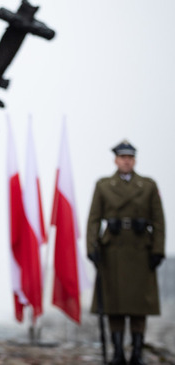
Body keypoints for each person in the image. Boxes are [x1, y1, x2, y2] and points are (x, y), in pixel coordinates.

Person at [86, 140, 165, 365]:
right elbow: (94, 219)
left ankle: (137, 352)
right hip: (113, 251)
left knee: (139, 305)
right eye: (123, 158)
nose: (126, 161)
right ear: (116, 160)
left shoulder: (148, 185)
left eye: (130, 158)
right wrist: (92, 247)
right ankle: (118, 352)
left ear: (134, 160)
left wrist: (158, 250)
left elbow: (159, 221)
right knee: (115, 305)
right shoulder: (104, 185)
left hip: (140, 250)